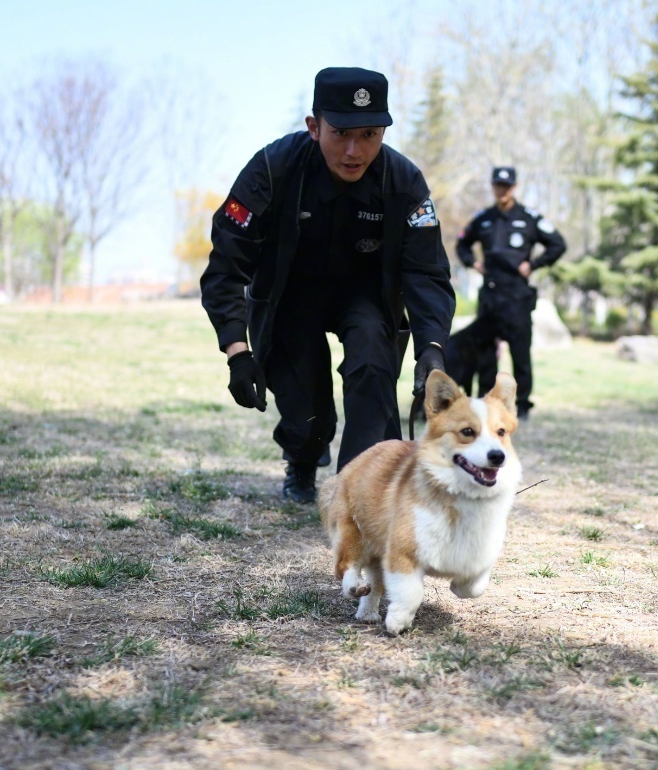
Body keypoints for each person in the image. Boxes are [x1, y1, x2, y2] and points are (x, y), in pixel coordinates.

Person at [200, 67, 453, 503]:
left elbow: (426, 272)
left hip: (365, 296)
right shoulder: (271, 170)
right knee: (305, 411)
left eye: (370, 135)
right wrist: (236, 352)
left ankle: (359, 492)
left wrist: (432, 347)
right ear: (314, 127)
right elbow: (227, 263)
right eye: (341, 134)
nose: (355, 151)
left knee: (374, 366)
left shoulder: (403, 182)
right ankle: (302, 460)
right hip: (290, 297)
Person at [445, 167, 566, 420]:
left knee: (521, 352)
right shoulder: (484, 218)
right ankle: (485, 404)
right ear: (493, 187)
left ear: (515, 187)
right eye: (498, 185)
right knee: (486, 354)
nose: (502, 190)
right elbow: (462, 244)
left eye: (507, 186)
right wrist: (473, 263)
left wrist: (533, 265)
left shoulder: (529, 218)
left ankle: (522, 405)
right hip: (490, 295)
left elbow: (558, 244)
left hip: (517, 296)